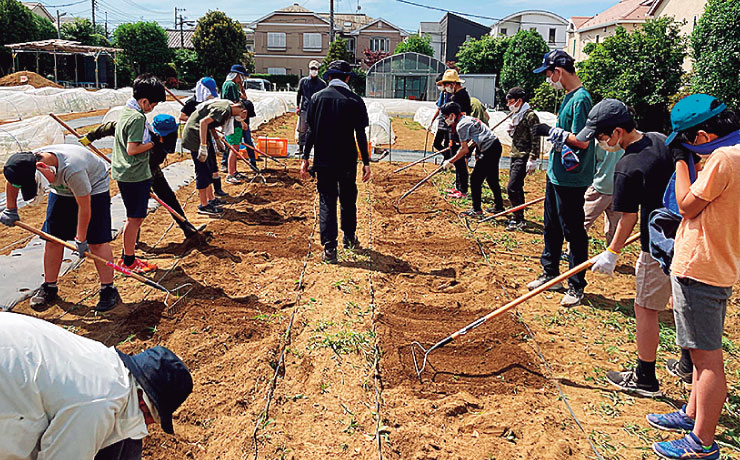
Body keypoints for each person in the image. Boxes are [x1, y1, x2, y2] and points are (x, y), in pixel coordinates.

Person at [646, 94, 740, 460]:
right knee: (702, 351)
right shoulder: (734, 155)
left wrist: (682, 162)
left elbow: (686, 205)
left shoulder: (722, 160)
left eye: (687, 143)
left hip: (701, 267)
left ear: (701, 137)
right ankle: (691, 415)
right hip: (718, 264)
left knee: (706, 360)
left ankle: (702, 443)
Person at [581, 99, 684, 398]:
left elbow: (628, 218)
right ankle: (688, 364)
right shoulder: (659, 139)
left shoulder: (626, 167)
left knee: (645, 307)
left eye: (601, 136)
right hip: (685, 236)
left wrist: (611, 254)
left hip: (656, 245)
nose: (600, 142)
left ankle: (645, 378)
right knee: (681, 304)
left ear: (616, 132)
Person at [0, 312, 192, 459]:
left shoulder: (105, 365)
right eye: (151, 422)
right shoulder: (99, 403)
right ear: (145, 406)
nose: (146, 428)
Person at [1, 146, 121, 312]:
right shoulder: (23, 165)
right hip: (61, 190)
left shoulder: (73, 169)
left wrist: (81, 238)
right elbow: (13, 181)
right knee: (52, 240)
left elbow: (84, 207)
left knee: (97, 242)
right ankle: (49, 286)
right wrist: (11, 209)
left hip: (93, 188)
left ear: (42, 167)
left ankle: (108, 289)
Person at [526, 50, 596, 307]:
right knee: (551, 226)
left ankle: (576, 285)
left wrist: (551, 131)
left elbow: (583, 141)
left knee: (573, 231)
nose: (547, 79)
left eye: (548, 73)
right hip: (556, 174)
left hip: (572, 177)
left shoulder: (581, 100)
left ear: (559, 71)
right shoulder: (568, 97)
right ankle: (550, 272)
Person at [80, 114, 201, 240]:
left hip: (153, 169)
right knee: (136, 210)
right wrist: (91, 136)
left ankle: (187, 228)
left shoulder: (168, 140)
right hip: (134, 173)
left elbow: (161, 155)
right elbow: (111, 127)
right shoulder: (139, 133)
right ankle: (132, 243)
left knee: (168, 197)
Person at [300, 60, 371, 263]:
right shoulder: (355, 100)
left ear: (329, 77)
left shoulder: (316, 98)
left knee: (327, 201)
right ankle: (349, 237)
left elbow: (310, 131)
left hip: (323, 159)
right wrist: (366, 162)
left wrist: (305, 157)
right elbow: (360, 134)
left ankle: (330, 249)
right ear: (348, 78)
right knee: (348, 197)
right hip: (347, 159)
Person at [112, 74, 165, 273]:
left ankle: (129, 256)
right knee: (134, 220)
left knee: (134, 218)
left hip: (126, 172)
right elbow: (132, 149)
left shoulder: (127, 111)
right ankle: (128, 261)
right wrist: (153, 144)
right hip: (133, 174)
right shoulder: (136, 118)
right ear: (143, 101)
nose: (153, 108)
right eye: (152, 104)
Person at [181, 98, 249, 216]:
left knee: (211, 167)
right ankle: (204, 205)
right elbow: (203, 122)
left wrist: (217, 139)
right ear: (244, 112)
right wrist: (202, 146)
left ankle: (211, 199)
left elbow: (210, 124)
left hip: (203, 134)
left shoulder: (227, 107)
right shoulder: (224, 110)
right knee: (203, 170)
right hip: (195, 135)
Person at [440, 102, 503, 217]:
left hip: (489, 149)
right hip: (495, 145)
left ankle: (477, 210)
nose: (445, 120)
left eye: (445, 117)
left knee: (475, 180)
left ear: (452, 115)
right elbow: (473, 140)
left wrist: (451, 161)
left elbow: (464, 150)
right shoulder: (467, 119)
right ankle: (499, 206)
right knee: (492, 178)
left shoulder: (461, 126)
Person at [505, 87, 540, 231]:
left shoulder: (530, 116)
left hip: (524, 156)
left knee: (512, 187)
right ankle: (519, 218)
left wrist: (533, 158)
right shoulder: (517, 115)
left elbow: (536, 138)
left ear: (519, 101)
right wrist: (512, 132)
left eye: (511, 101)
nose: (509, 105)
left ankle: (518, 218)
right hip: (515, 154)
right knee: (516, 187)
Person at [440, 69, 472, 199]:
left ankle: (463, 190)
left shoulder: (461, 96)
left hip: (459, 133)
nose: (445, 88)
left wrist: (453, 137)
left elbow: (459, 117)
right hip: (455, 132)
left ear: (453, 83)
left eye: (447, 84)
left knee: (460, 162)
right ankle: (458, 187)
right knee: (457, 162)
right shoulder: (457, 95)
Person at [583, 143, 623, 245]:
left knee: (583, 220)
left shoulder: (600, 140)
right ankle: (611, 253)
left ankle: (571, 251)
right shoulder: (631, 139)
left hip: (600, 186)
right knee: (615, 225)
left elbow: (590, 163)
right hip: (619, 187)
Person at [220, 64, 250, 188]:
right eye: (241, 77)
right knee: (234, 147)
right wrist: (241, 121)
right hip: (233, 121)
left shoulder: (229, 85)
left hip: (233, 120)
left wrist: (241, 87)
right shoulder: (230, 85)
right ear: (237, 75)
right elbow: (235, 105)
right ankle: (230, 174)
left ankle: (234, 171)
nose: (241, 79)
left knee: (235, 146)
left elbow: (243, 97)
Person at [296, 60, 327, 157]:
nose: (314, 71)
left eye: (315, 69)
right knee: (302, 129)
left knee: (316, 129)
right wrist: (298, 106)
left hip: (317, 110)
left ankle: (317, 149)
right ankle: (301, 148)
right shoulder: (303, 81)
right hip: (305, 108)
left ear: (318, 70)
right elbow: (299, 94)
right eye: (312, 69)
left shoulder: (322, 84)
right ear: (309, 69)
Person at [428, 74, 452, 161]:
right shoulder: (442, 94)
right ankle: (448, 157)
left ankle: (446, 161)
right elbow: (439, 108)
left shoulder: (451, 95)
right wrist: (432, 121)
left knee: (447, 144)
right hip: (441, 123)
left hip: (449, 123)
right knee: (436, 144)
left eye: (440, 85)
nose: (439, 87)